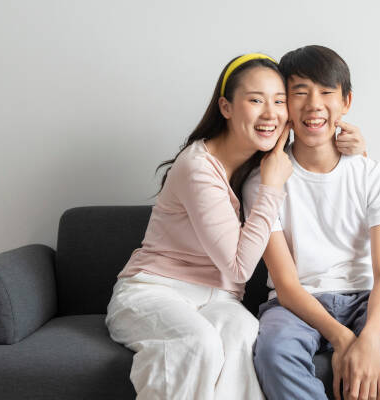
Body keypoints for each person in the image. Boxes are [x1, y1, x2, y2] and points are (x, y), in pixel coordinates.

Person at [243, 45, 380, 400]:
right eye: (299, 92)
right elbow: (285, 284)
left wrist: (372, 339)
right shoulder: (264, 181)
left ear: (346, 102)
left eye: (326, 92)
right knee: (273, 352)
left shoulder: (372, 175)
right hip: (296, 303)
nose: (314, 104)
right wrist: (344, 338)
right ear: (283, 105)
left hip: (367, 297)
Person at [105, 53, 293, 400]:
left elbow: (320, 144)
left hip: (218, 300)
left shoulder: (259, 163)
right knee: (198, 342)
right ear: (226, 107)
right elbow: (238, 267)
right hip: (154, 291)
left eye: (279, 101)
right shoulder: (198, 167)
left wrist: (354, 145)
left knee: (245, 333)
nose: (271, 113)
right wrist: (272, 189)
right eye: (255, 100)